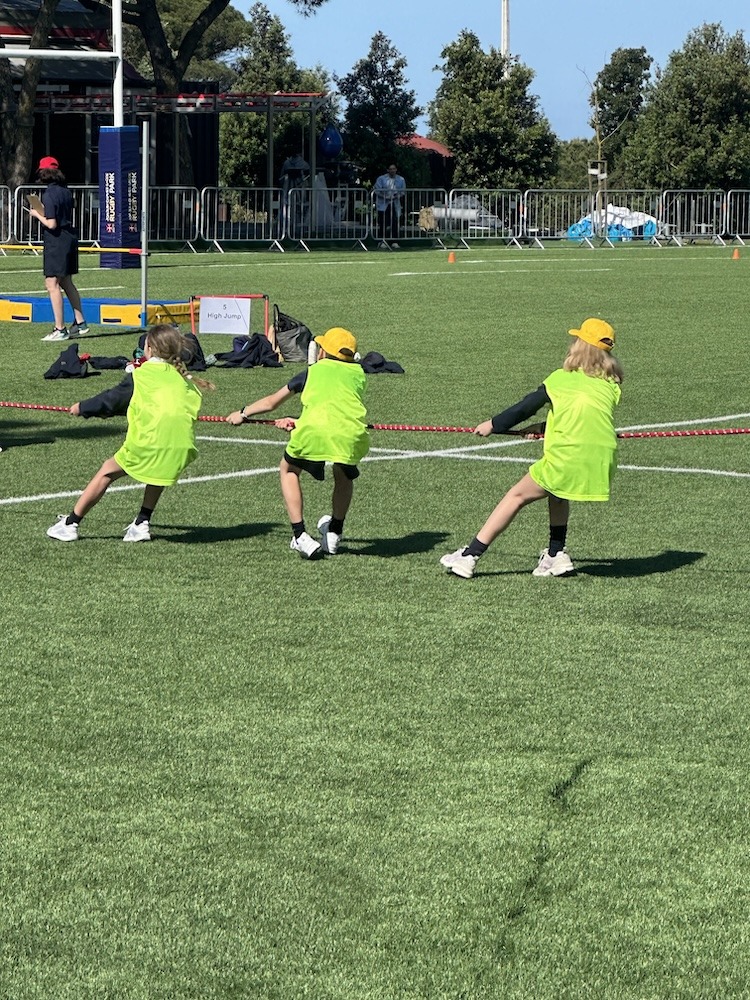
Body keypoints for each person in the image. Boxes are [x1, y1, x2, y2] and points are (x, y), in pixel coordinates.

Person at [440, 318, 623, 579]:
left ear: (580, 347)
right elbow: (581, 415)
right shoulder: (611, 385)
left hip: (567, 457)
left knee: (516, 496)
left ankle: (470, 555)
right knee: (558, 493)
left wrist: (493, 424)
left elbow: (525, 407)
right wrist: (544, 427)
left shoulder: (561, 379)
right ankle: (555, 555)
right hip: (602, 461)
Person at [47, 325, 215, 542]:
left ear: (151, 349)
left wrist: (82, 408)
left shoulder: (141, 375)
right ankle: (142, 523)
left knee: (107, 472)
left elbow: (111, 400)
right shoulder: (185, 381)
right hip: (181, 447)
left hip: (148, 443)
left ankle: (70, 524)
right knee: (159, 470)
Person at [226, 327, 369, 559]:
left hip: (314, 431)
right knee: (344, 474)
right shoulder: (359, 374)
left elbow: (273, 402)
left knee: (289, 469)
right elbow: (335, 407)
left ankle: (300, 535)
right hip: (350, 433)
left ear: (322, 352)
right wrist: (300, 421)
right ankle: (334, 532)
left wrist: (243, 413)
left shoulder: (311, 372)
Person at [28, 156, 89, 342]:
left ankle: (59, 328)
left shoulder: (49, 194)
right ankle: (80, 323)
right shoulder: (65, 191)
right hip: (70, 237)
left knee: (52, 283)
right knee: (67, 281)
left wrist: (37, 214)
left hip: (57, 241)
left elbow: (52, 223)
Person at [373, 164, 406, 249]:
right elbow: (377, 190)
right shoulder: (381, 179)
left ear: (396, 170)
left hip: (395, 204)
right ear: (388, 170)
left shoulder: (401, 179)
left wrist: (396, 196)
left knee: (395, 222)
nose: (392, 171)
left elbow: (403, 191)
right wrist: (385, 197)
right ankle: (381, 241)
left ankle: (394, 241)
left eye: (394, 169)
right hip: (383, 204)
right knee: (383, 222)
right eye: (390, 169)